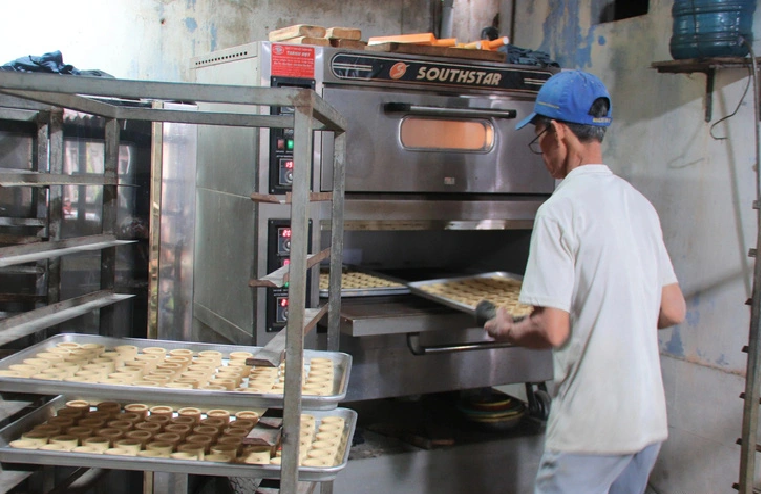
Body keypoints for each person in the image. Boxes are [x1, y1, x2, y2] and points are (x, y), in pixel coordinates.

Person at [484, 70, 686, 494]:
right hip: (647, 421)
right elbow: (671, 311)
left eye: (539, 134)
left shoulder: (559, 211)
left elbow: (551, 329)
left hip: (592, 429)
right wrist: (612, 316)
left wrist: (506, 329)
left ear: (558, 132)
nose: (540, 148)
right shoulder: (638, 204)